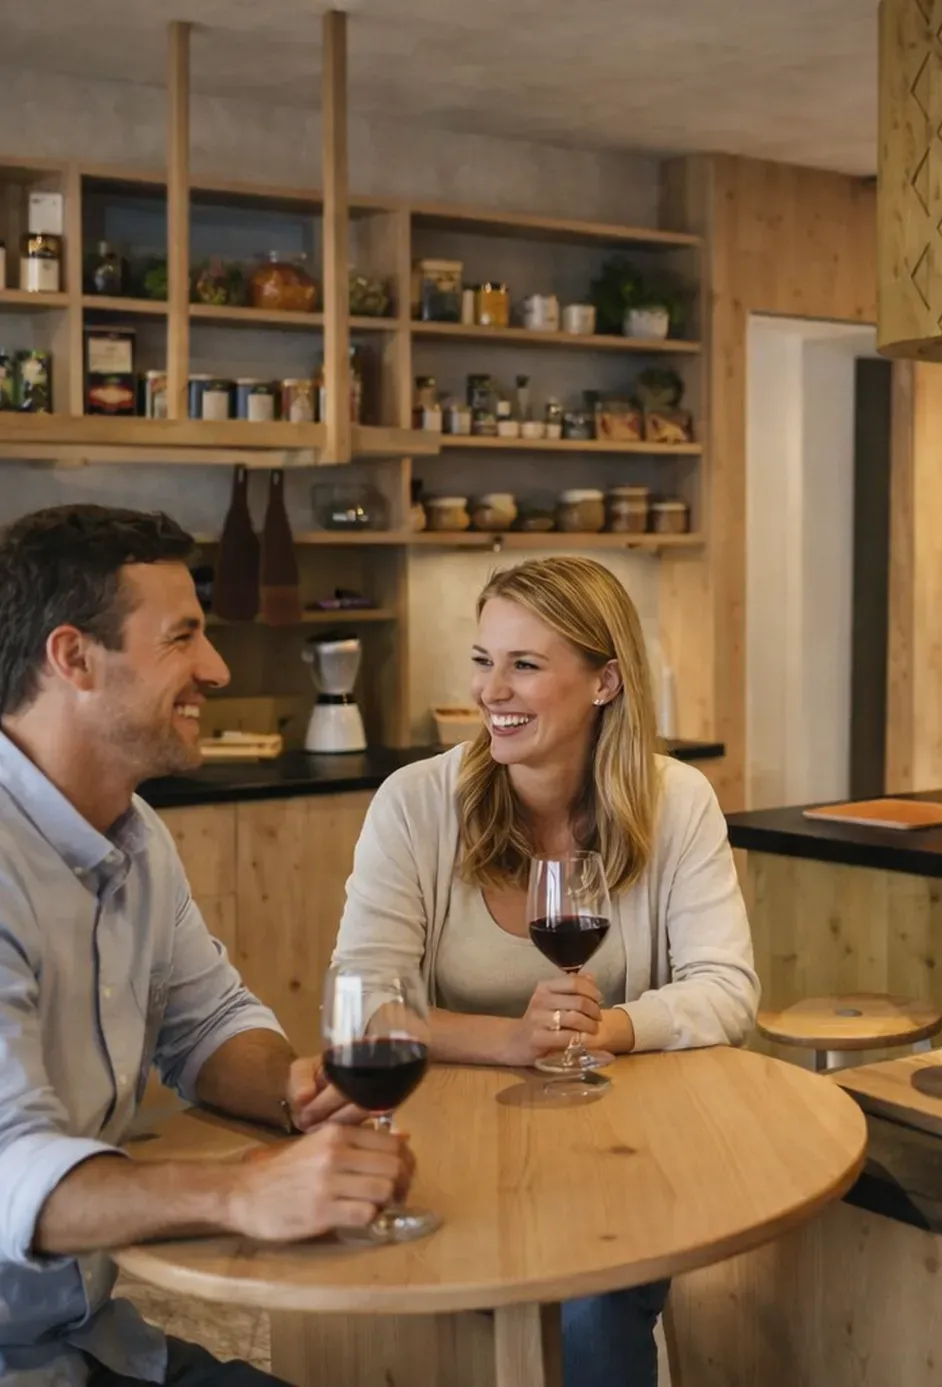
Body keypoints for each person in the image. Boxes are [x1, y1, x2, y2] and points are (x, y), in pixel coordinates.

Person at [0, 505, 411, 1387]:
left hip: (94, 1340)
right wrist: (240, 1190)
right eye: (182, 638)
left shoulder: (135, 835)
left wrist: (296, 1090)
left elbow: (210, 1021)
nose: (216, 668)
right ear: (73, 657)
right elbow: (9, 1167)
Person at [331, 555, 759, 1387]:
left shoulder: (678, 803)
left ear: (604, 681)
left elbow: (727, 987)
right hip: (454, 1148)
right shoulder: (416, 804)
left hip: (625, 1149)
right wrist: (509, 1040)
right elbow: (364, 1007)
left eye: (525, 664)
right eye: (484, 661)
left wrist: (612, 1027)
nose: (493, 689)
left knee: (597, 1300)